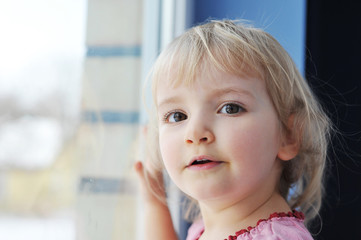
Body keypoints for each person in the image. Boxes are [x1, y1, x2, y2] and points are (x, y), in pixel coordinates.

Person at [134, 19, 331, 240]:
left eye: (230, 108)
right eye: (177, 116)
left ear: (288, 135)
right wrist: (154, 201)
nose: (195, 133)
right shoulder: (204, 229)